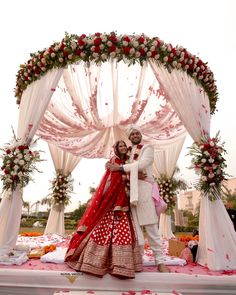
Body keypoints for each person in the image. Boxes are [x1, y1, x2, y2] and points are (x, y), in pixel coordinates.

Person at [65, 140, 143, 278]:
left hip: (123, 202)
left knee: (122, 232)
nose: (124, 147)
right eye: (120, 146)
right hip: (112, 203)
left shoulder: (127, 161)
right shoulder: (114, 162)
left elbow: (128, 175)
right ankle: (95, 262)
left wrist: (136, 175)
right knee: (104, 230)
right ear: (116, 149)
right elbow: (111, 181)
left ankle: (121, 264)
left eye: (125, 145)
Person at [107, 125, 170, 273]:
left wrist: (122, 168)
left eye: (137, 133)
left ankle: (160, 261)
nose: (135, 135)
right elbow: (119, 163)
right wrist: (115, 166)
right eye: (132, 134)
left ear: (140, 135)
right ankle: (138, 260)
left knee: (151, 227)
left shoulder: (147, 148)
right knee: (136, 230)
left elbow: (142, 164)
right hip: (131, 194)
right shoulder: (128, 153)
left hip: (145, 192)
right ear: (129, 138)